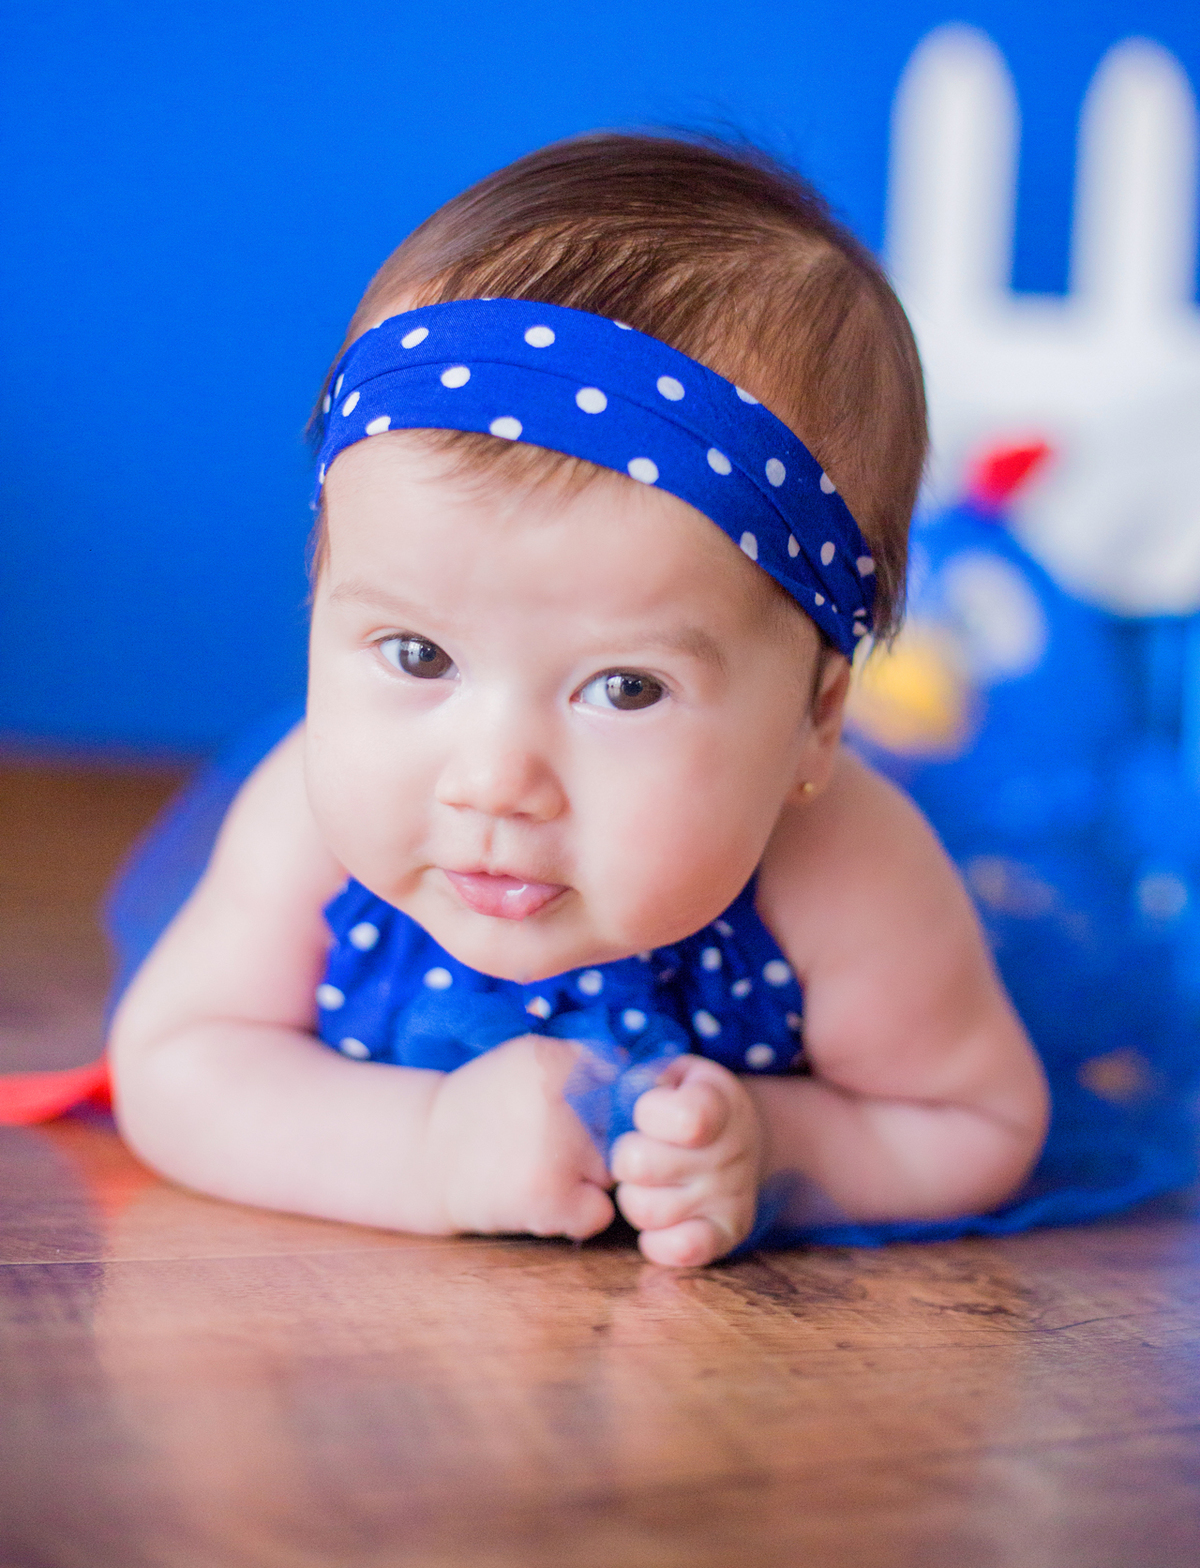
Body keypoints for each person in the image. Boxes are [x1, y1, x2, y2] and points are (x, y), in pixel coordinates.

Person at [107, 134, 1049, 1268]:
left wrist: (778, 1146)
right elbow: (174, 1065)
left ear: (815, 719)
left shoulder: (846, 872)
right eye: (416, 655)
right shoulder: (304, 824)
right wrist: (425, 1151)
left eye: (625, 687)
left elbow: (977, 1121)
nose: (495, 778)